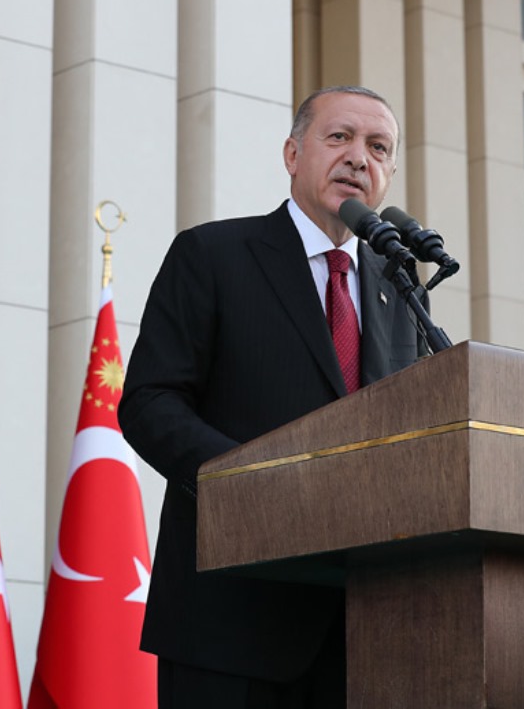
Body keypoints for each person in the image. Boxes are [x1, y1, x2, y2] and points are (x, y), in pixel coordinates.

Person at [118, 86, 428, 708]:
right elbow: (150, 403)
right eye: (338, 137)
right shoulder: (213, 254)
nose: (358, 158)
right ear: (292, 154)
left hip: (364, 631)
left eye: (378, 148)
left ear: (390, 174)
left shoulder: (401, 287)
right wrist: (256, 483)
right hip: (231, 621)